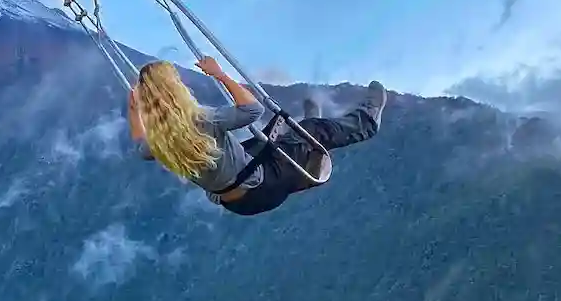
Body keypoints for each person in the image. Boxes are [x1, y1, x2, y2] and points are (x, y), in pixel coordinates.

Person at [128, 56, 386, 217]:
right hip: (263, 187)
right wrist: (219, 74)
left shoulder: (159, 140)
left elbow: (141, 143)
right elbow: (252, 109)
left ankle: (305, 129)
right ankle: (366, 122)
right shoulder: (204, 120)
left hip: (237, 202)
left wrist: (134, 110)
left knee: (262, 140)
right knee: (314, 132)